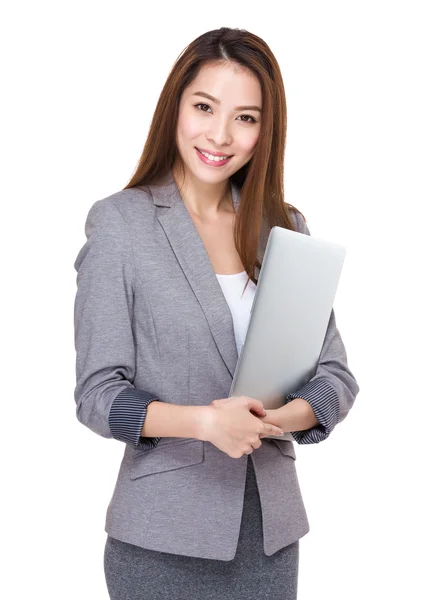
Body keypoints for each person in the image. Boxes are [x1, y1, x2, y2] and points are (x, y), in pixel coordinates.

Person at [73, 26, 360, 600]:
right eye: (205, 106)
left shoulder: (285, 226)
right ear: (175, 106)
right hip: (160, 538)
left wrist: (274, 420)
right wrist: (206, 423)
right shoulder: (120, 224)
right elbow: (98, 395)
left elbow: (336, 379)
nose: (221, 135)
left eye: (246, 117)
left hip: (269, 537)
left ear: (265, 129)